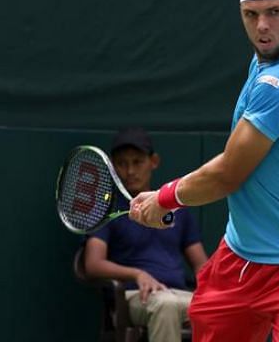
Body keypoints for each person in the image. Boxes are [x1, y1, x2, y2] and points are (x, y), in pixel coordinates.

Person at [129, 0, 279, 342]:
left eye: (275, 12)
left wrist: (164, 198)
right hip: (239, 263)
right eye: (251, 14)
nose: (263, 26)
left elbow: (229, 173)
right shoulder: (264, 61)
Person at [84, 127, 208, 342]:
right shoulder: (105, 210)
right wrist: (138, 274)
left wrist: (212, 290)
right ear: (113, 167)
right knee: (166, 306)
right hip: (134, 297)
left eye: (137, 162)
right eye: (122, 164)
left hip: (181, 294)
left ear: (154, 162)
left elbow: (201, 264)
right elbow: (93, 263)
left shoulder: (175, 208)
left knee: (223, 308)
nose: (130, 171)